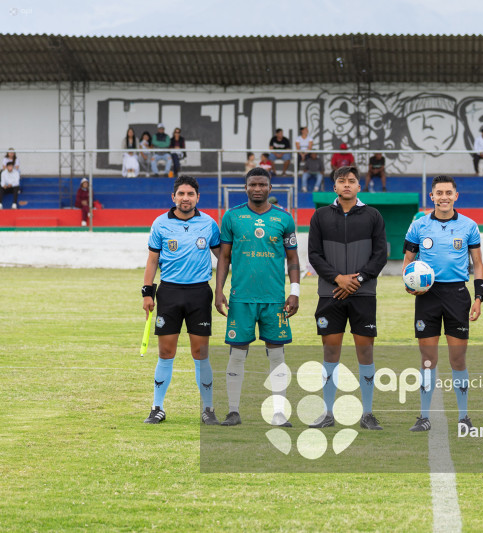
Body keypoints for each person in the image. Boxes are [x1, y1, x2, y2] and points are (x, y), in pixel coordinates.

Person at [214, 167, 300, 427]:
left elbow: (293, 259)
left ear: (270, 188)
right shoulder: (232, 217)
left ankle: (278, 413)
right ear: (246, 187)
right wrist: (219, 291)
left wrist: (294, 292)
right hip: (241, 298)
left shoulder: (284, 219)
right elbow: (224, 257)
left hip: (275, 298)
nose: (257, 189)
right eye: (253, 184)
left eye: (262, 184)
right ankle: (233, 411)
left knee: (276, 353)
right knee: (237, 353)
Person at [307, 165, 388, 430]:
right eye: (342, 181)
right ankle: (328, 413)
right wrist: (338, 279)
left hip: (363, 294)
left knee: (365, 351)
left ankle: (367, 414)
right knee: (331, 351)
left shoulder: (373, 215)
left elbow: (380, 255)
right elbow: (314, 255)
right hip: (329, 293)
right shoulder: (319, 216)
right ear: (334, 186)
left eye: (352, 181)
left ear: (358, 186)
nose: (347, 185)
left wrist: (357, 280)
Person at [403, 175, 483, 432]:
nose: (444, 197)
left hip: (457, 295)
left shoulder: (469, 226)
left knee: (458, 359)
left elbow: (479, 264)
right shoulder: (419, 225)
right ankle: (424, 417)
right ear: (432, 196)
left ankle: (464, 417)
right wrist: (408, 282)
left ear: (456, 196)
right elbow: (408, 259)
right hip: (427, 297)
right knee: (428, 359)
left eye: (448, 192)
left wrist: (479, 296)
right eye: (439, 193)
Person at [141, 175, 222, 425]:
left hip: (199, 293)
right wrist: (147, 292)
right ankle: (157, 407)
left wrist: (226, 286)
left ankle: (207, 409)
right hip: (169, 293)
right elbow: (152, 260)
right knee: (166, 352)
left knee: (201, 353)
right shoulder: (160, 223)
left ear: (198, 197)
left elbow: (222, 257)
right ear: (173, 197)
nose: (185, 198)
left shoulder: (209, 224)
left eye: (190, 194)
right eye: (181, 194)